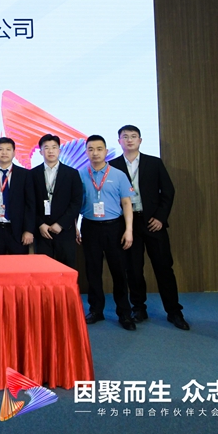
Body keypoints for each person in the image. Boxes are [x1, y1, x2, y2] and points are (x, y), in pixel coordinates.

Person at [111, 125, 188, 330]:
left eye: (133, 136)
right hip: (128, 224)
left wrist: (161, 217)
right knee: (133, 269)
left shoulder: (154, 163)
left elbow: (168, 191)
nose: (129, 140)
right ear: (119, 141)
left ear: (140, 140)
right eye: (125, 137)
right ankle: (139, 308)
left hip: (153, 222)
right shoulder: (113, 166)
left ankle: (174, 311)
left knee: (164, 267)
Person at [76, 135, 136, 331]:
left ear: (106, 151)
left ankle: (124, 313)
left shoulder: (118, 174)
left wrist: (129, 230)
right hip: (90, 227)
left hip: (114, 227)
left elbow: (126, 203)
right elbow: (75, 203)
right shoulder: (80, 174)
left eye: (99, 149)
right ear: (86, 152)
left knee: (119, 272)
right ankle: (96, 310)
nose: (95, 153)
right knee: (93, 271)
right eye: (91, 149)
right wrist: (75, 226)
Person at [31, 134, 83, 269]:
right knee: (43, 270)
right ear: (41, 152)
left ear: (59, 150)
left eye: (54, 147)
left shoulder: (72, 174)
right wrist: (40, 224)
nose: (51, 151)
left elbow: (76, 202)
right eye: (46, 148)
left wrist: (61, 224)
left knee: (66, 269)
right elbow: (30, 203)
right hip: (42, 231)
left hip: (65, 231)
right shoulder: (32, 174)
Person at [0, 137, 35, 255]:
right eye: (0, 149)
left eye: (8, 149)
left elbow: (30, 205)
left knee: (19, 265)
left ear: (14, 153)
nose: (4, 152)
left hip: (17, 231)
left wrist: (28, 230)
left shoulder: (24, 174)